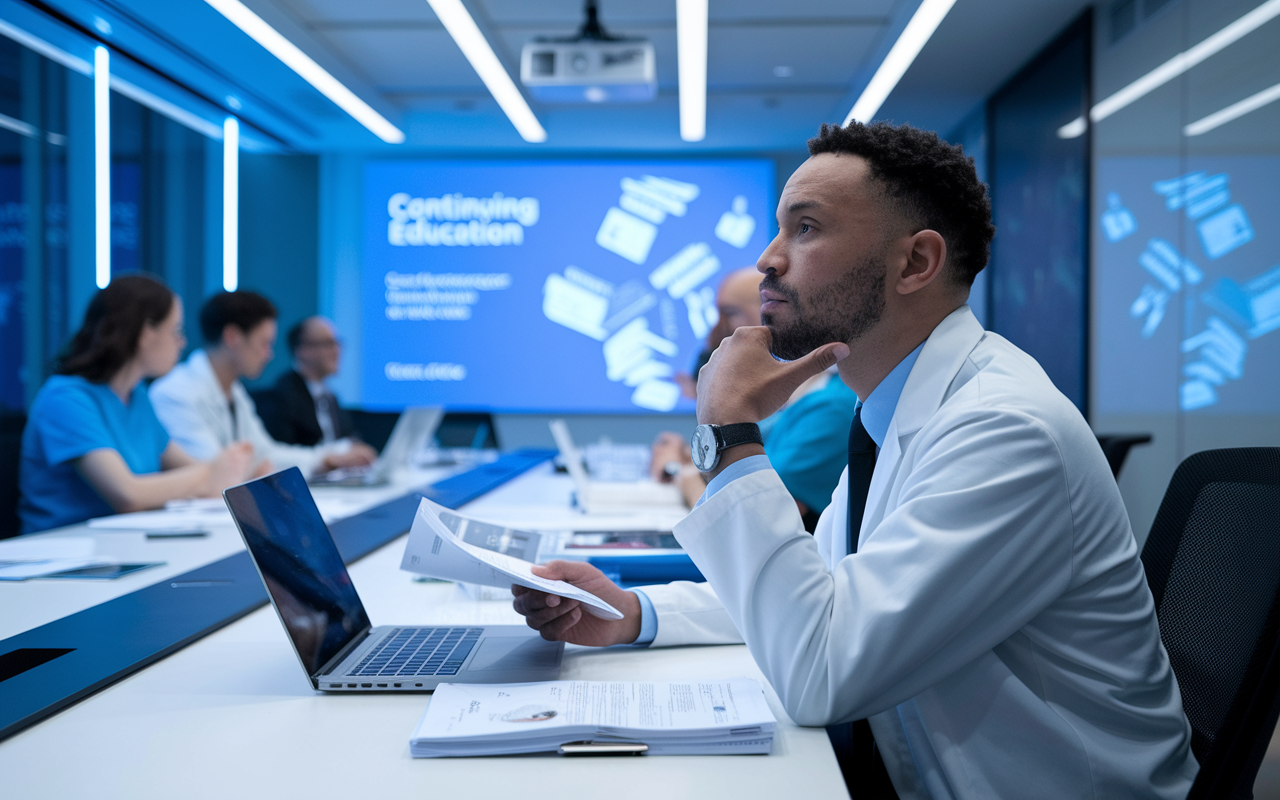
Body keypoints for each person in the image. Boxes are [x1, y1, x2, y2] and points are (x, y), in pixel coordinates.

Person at [512, 122, 1197, 798]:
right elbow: (825, 597)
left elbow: (821, 674)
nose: (768, 260)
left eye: (805, 228)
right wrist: (635, 613)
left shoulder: (1002, 428)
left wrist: (728, 433)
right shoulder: (893, 410)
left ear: (915, 263)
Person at [19, 274, 254, 533]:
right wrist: (211, 473)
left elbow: (190, 467)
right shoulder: (66, 399)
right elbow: (128, 495)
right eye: (175, 331)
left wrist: (220, 472)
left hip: (123, 545)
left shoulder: (138, 396)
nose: (182, 342)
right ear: (145, 333)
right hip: (66, 553)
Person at [650, 267, 859, 527]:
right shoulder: (799, 398)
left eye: (730, 313)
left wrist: (681, 473)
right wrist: (685, 457)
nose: (717, 333)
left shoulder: (831, 408)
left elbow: (748, 525)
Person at [150, 291, 376, 477]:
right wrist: (258, 468)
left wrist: (325, 459)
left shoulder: (234, 391)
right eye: (264, 344)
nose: (269, 355)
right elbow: (214, 470)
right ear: (232, 337)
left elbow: (264, 453)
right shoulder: (174, 393)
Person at [258, 317, 358, 447]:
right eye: (328, 343)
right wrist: (330, 458)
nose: (336, 350)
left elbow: (348, 438)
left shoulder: (331, 397)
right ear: (302, 350)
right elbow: (282, 452)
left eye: (337, 343)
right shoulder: (283, 397)